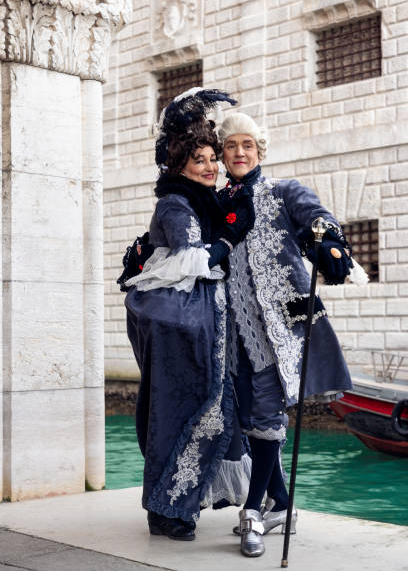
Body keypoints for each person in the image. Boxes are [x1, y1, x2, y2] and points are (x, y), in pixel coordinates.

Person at [217, 112, 367, 558]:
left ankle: (252, 514)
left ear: (259, 150)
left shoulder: (283, 191)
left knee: (265, 412)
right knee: (250, 414)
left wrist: (331, 245)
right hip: (232, 327)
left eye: (248, 144)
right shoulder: (218, 202)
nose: (240, 152)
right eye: (231, 145)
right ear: (223, 153)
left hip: (278, 324)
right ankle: (281, 503)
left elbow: (316, 221)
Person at [123, 91, 254, 541]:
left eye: (212, 158)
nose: (211, 167)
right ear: (179, 165)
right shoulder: (177, 204)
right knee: (178, 411)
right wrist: (230, 237)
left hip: (199, 325)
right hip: (182, 329)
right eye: (199, 160)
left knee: (200, 411)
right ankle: (166, 510)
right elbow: (190, 260)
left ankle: (177, 506)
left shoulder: (200, 201)